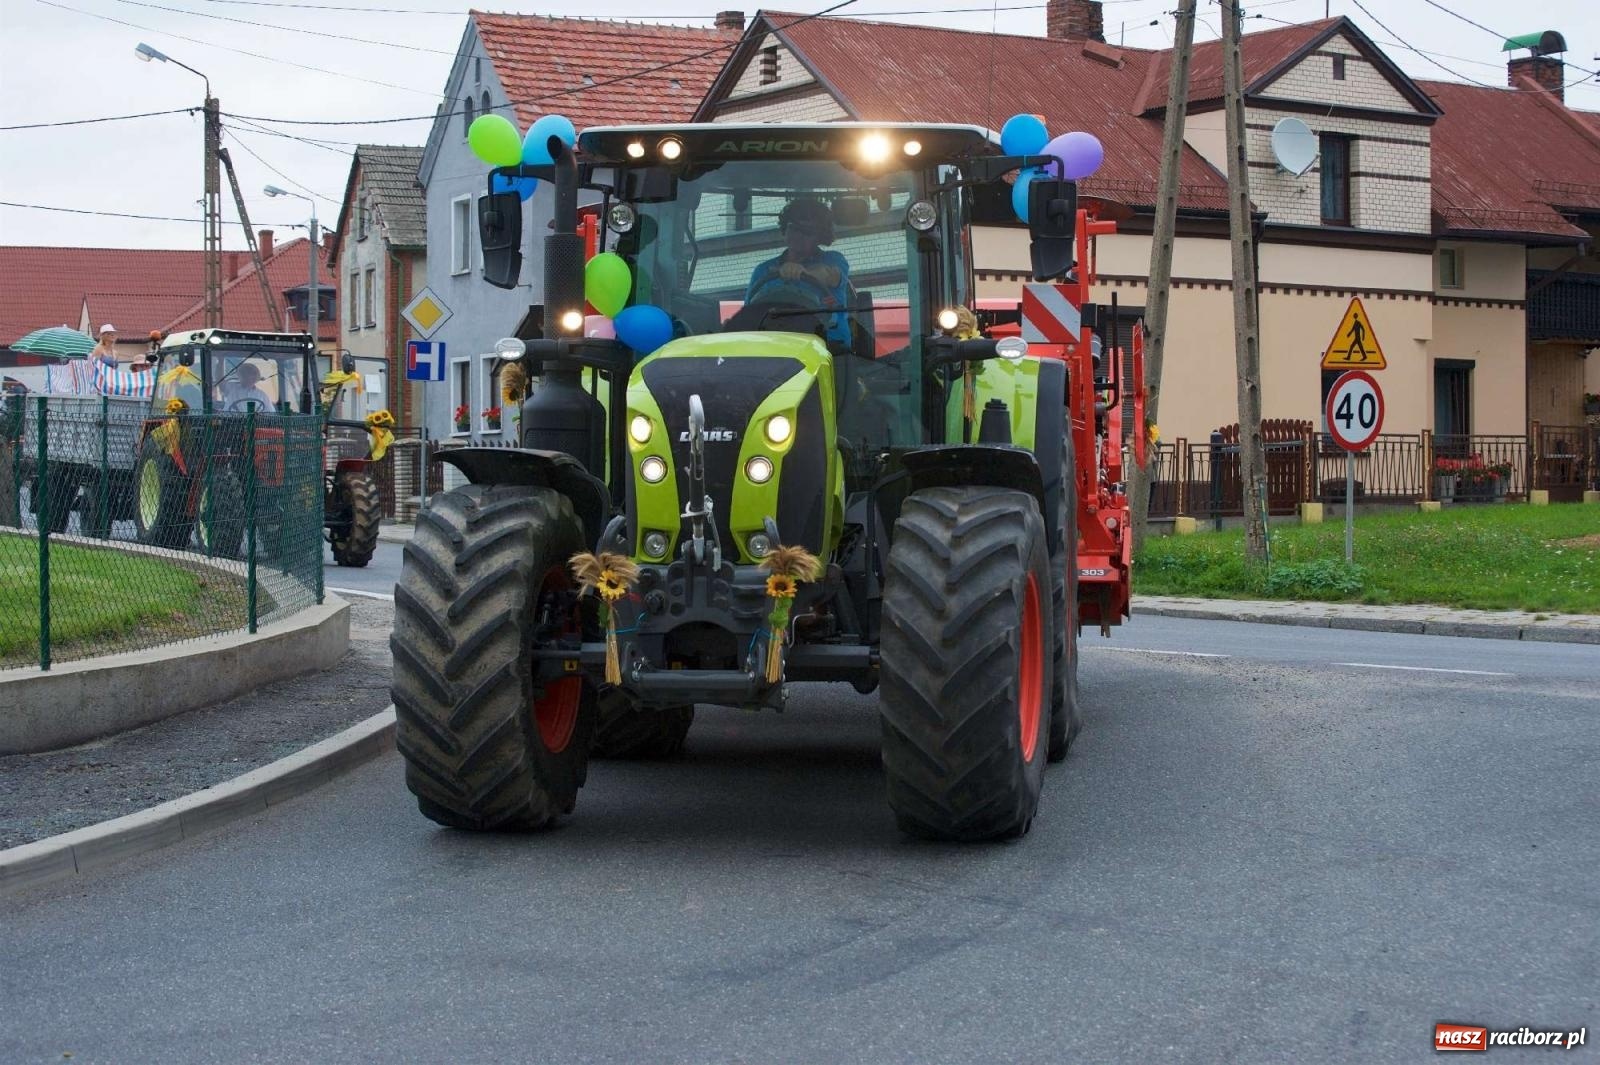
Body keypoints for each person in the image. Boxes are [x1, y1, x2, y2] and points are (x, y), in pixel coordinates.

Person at [745, 198, 852, 346]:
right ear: (785, 228)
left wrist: (803, 272)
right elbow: (749, 315)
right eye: (794, 228)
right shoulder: (763, 270)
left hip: (830, 347)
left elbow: (829, 275)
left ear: (820, 236)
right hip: (776, 346)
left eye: (807, 231)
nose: (798, 235)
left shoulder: (834, 260)